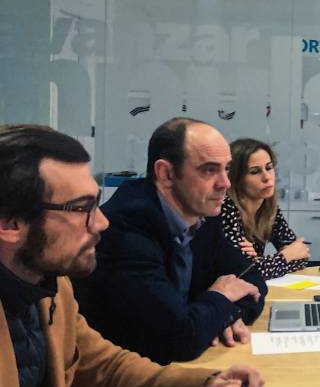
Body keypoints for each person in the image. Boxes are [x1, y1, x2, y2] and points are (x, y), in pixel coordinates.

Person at [0, 124, 265, 387]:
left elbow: (102, 370)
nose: (101, 222)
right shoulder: (119, 233)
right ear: (10, 224)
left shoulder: (49, 286)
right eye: (81, 208)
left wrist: (205, 386)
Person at [73, 118, 267, 365]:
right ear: (165, 173)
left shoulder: (202, 214)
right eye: (209, 169)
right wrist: (218, 299)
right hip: (124, 386)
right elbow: (177, 340)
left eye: (226, 168)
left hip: (175, 371)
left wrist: (223, 313)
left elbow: (251, 280)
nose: (225, 183)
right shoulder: (125, 228)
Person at [222, 138, 309, 279]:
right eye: (255, 171)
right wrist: (286, 255)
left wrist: (263, 263)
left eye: (269, 167)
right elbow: (243, 273)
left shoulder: (269, 207)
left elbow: (302, 256)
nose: (267, 177)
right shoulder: (226, 208)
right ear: (236, 178)